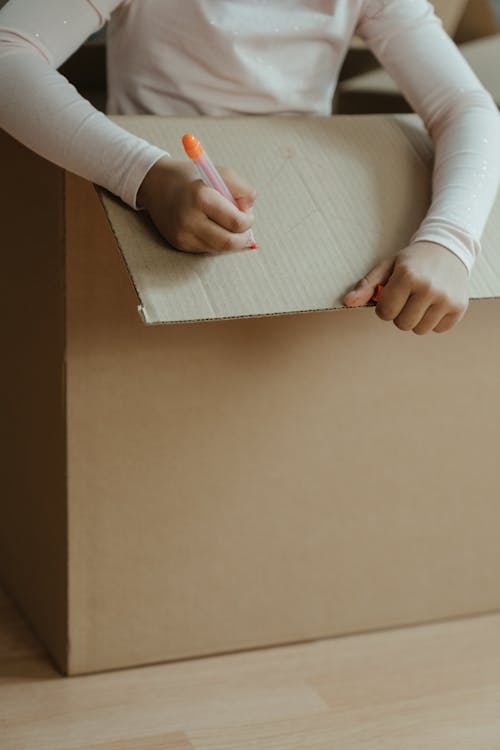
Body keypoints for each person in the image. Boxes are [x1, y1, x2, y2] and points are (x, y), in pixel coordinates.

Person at [1, 0, 499, 335]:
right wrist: (146, 176)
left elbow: (464, 107)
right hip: (135, 220)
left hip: (298, 217)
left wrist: (449, 241)